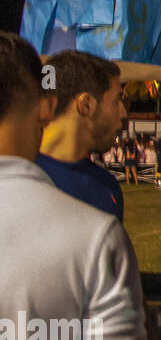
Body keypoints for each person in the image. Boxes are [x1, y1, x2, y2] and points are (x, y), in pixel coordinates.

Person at [0, 32, 155, 340]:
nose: (124, 113)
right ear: (74, 104)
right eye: (117, 99)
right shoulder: (78, 222)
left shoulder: (104, 188)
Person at [36, 52, 128, 221]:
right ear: (85, 105)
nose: (123, 113)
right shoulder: (16, 178)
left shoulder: (107, 186)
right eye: (116, 101)